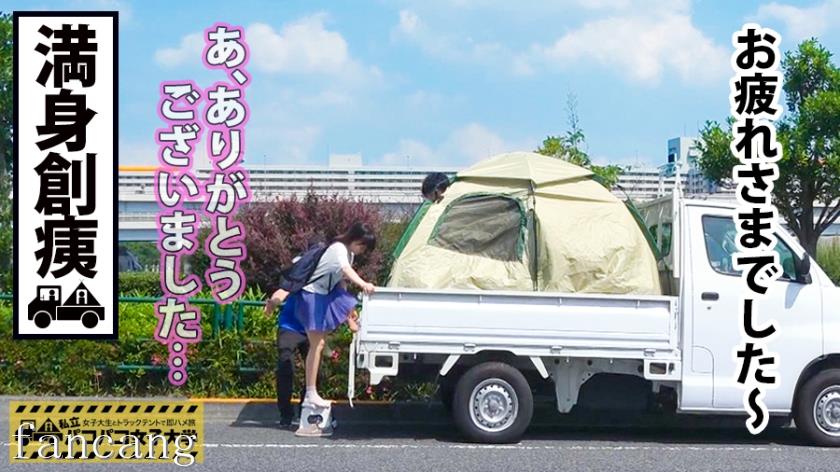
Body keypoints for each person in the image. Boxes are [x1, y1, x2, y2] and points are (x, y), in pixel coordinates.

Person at [280, 222, 376, 410]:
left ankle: (311, 393)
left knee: (318, 344)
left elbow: (341, 281)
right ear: (354, 239)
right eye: (362, 245)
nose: (362, 250)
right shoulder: (339, 248)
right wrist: (364, 284)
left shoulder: (349, 253)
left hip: (323, 294)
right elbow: (346, 270)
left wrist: (347, 309)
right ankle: (310, 393)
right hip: (312, 294)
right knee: (317, 345)